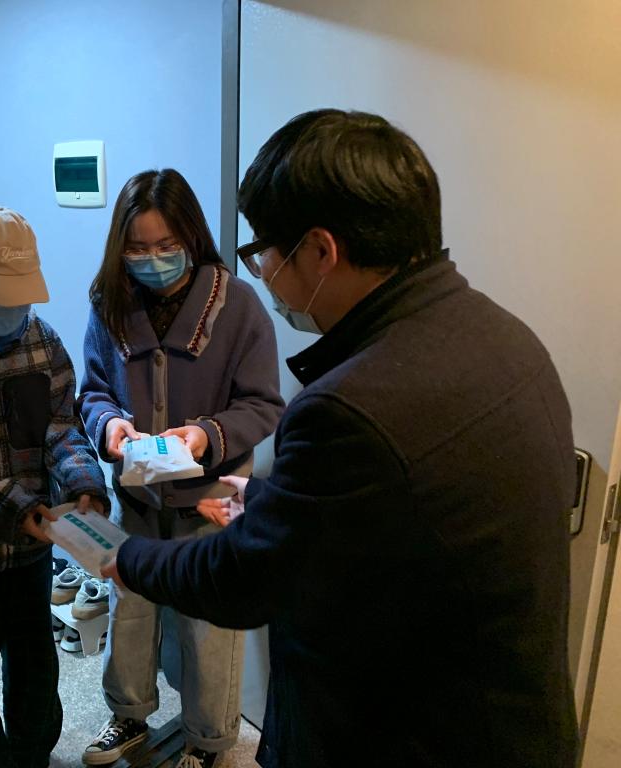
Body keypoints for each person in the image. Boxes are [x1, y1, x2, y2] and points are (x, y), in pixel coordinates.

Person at [101, 110, 579, 768]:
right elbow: (392, 509)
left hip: (398, 737)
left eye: (266, 249)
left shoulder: (349, 406)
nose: (264, 268)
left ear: (321, 252)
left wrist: (126, 559)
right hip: (508, 725)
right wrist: (269, 498)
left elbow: (246, 580)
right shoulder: (507, 338)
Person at [77, 169, 284, 768]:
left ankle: (208, 741)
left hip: (211, 502)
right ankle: (128, 715)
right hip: (137, 499)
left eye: (166, 245)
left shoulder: (238, 305)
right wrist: (109, 426)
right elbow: (93, 390)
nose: (152, 260)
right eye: (137, 248)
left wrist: (204, 436)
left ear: (192, 237)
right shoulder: (110, 302)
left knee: (208, 631)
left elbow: (263, 403)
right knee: (130, 617)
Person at [0, 206, 109, 768]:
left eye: (22, 299)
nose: (13, 313)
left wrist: (83, 486)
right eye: (0, 298)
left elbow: (61, 428)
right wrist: (20, 510)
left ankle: (34, 756)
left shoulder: (41, 343)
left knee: (35, 669)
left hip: (32, 554)